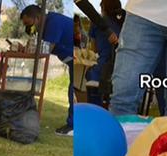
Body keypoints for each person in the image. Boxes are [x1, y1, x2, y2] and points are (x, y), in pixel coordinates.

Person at [21, 5, 74, 136]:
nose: (28, 28)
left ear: (37, 18)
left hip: (74, 58)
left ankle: (73, 125)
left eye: (28, 23)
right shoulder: (45, 25)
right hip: (70, 58)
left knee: (73, 90)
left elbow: (46, 50)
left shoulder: (53, 23)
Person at [85, 0, 124, 107]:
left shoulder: (97, 22)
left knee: (89, 74)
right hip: (121, 70)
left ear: (104, 8)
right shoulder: (124, 23)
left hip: (101, 70)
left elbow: (93, 49)